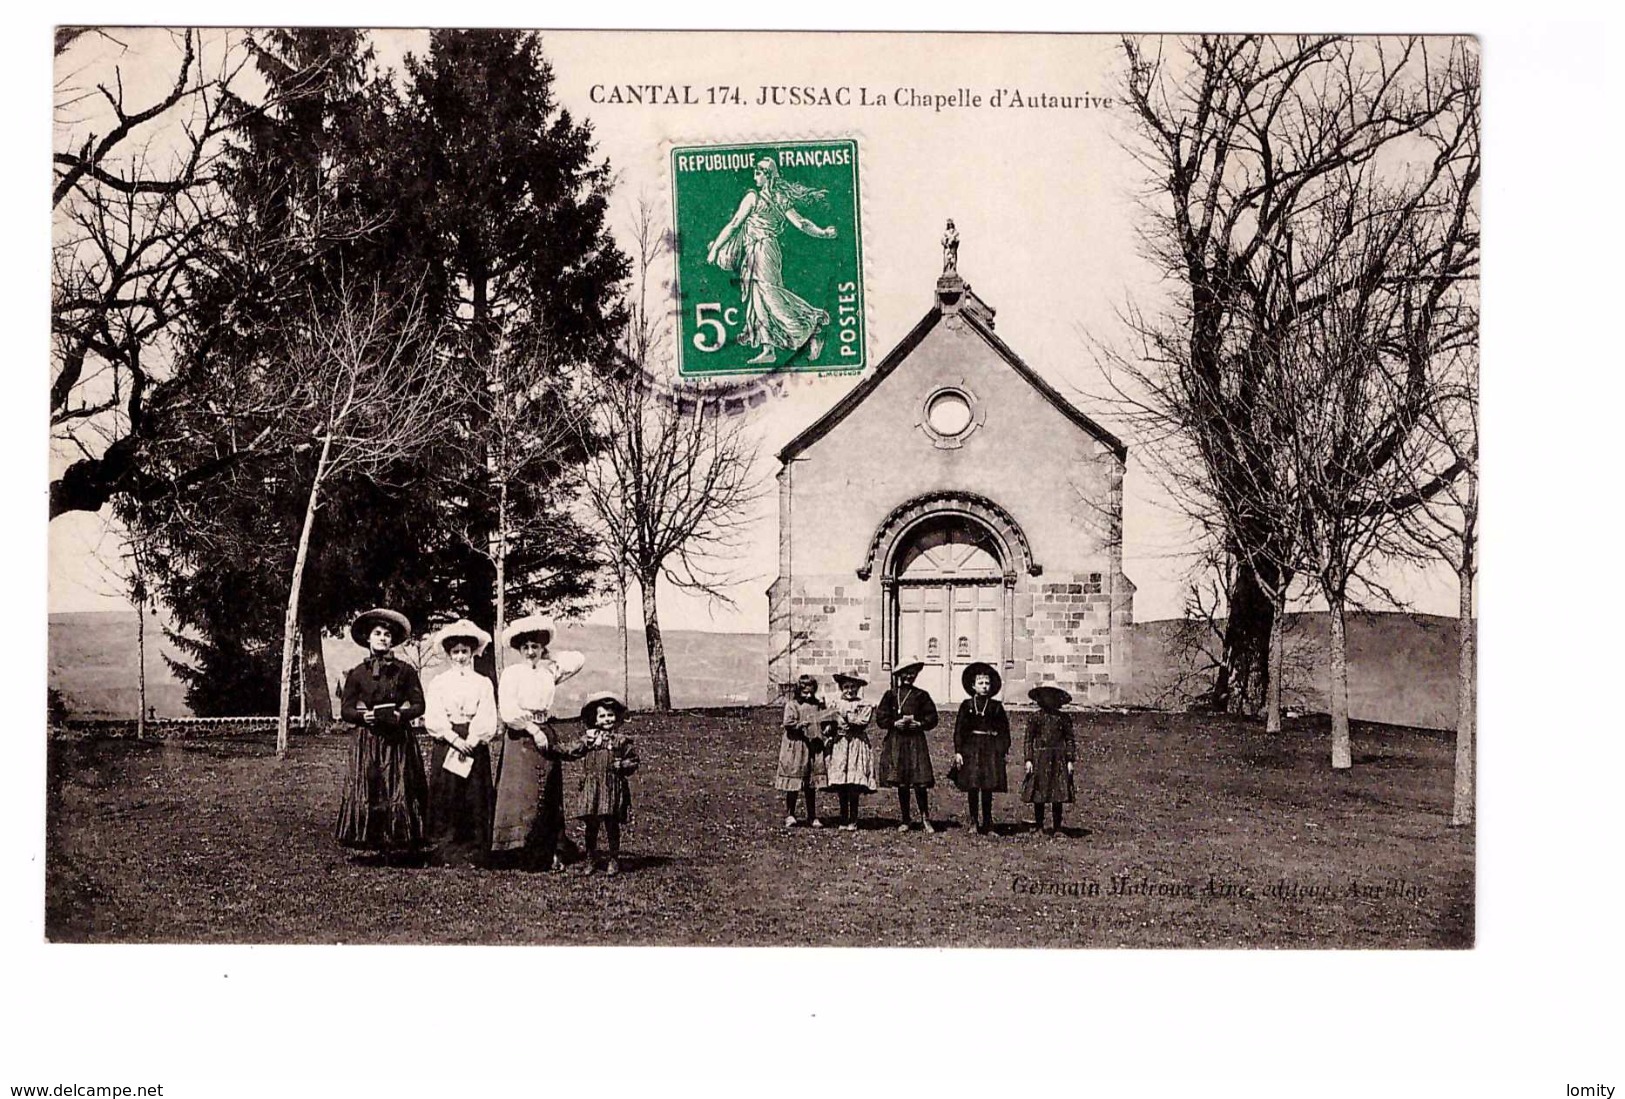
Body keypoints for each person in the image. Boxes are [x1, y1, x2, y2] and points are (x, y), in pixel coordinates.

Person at [706, 157, 838, 366]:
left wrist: (715, 249)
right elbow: (801, 223)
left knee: (770, 294)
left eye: (758, 173)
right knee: (757, 299)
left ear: (767, 175)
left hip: (765, 250)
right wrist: (823, 233)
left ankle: (812, 327)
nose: (754, 176)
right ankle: (768, 349)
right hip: (754, 251)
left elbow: (734, 224)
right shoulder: (775, 197)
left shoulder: (758, 198)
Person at [491, 614, 587, 872]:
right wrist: (533, 730)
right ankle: (518, 850)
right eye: (526, 647)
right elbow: (508, 709)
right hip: (521, 735)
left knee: (547, 792)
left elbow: (578, 660)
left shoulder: (548, 671)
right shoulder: (512, 673)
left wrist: (549, 656)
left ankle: (548, 847)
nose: (531, 651)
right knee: (522, 792)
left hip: (545, 730)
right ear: (519, 650)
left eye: (535, 646)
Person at [335, 608, 430, 861]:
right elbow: (345, 709)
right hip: (368, 740)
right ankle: (370, 840)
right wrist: (360, 716)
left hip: (398, 741)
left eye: (387, 635)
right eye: (377, 633)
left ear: (393, 641)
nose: (382, 638)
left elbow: (420, 704)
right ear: (368, 638)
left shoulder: (405, 671)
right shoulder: (357, 673)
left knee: (398, 786)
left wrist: (402, 714)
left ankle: (400, 842)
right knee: (370, 786)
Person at [422, 619, 499, 866]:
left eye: (464, 651)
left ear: (472, 652)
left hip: (473, 741)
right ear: (448, 654)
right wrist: (453, 737)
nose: (460, 657)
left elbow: (487, 714)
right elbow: (433, 715)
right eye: (455, 652)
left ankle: (476, 849)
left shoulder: (482, 682)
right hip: (448, 740)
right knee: (448, 793)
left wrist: (473, 738)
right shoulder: (439, 682)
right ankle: (446, 847)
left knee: (475, 795)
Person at [574, 693, 640, 876]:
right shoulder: (589, 739)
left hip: (611, 786)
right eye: (602, 716)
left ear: (617, 716)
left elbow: (634, 760)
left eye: (610, 715)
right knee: (591, 825)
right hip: (592, 786)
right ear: (594, 719)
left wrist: (623, 765)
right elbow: (573, 750)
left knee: (611, 824)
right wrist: (552, 748)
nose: (607, 719)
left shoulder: (620, 740)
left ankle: (614, 859)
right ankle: (590, 857)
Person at [875, 662, 939, 833]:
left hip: (915, 741)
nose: (909, 677)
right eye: (905, 674)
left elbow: (933, 717)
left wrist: (919, 723)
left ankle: (925, 818)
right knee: (901, 782)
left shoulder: (921, 695)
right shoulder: (890, 694)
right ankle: (905, 819)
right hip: (897, 740)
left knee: (920, 782)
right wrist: (894, 723)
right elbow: (881, 718)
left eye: (912, 673)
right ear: (899, 676)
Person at [952, 661, 1011, 836]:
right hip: (971, 749)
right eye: (981, 683)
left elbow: (1004, 731)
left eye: (987, 683)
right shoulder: (967, 705)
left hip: (989, 749)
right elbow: (959, 730)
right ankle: (973, 821)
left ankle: (988, 822)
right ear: (973, 686)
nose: (984, 687)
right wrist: (958, 751)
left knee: (987, 786)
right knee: (973, 785)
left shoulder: (996, 707)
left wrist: (1001, 749)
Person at [777, 674, 832, 828]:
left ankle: (812, 815)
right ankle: (790, 814)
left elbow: (825, 721)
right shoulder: (792, 705)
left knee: (810, 783)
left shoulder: (817, 705)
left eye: (811, 692)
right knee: (793, 783)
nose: (808, 695)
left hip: (812, 746)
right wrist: (801, 724)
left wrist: (827, 727)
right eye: (805, 692)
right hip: (796, 746)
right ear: (798, 691)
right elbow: (788, 723)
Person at [1022, 685, 1077, 835]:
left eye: (1052, 698)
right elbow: (1028, 740)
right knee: (1039, 793)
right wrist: (1029, 759)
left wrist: (1070, 760)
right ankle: (1039, 826)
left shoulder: (1063, 718)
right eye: (1045, 697)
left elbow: (1070, 740)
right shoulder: (1035, 718)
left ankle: (1057, 827)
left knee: (1057, 793)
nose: (1049, 701)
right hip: (1040, 758)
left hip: (1058, 758)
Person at [825, 673, 876, 831]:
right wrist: (830, 728)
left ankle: (853, 818)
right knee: (842, 783)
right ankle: (843, 816)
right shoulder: (835, 704)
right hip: (840, 744)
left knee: (854, 783)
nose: (849, 690)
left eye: (853, 687)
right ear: (841, 688)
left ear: (858, 688)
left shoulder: (863, 705)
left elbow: (862, 722)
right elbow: (828, 724)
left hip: (856, 744)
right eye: (846, 687)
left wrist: (846, 716)